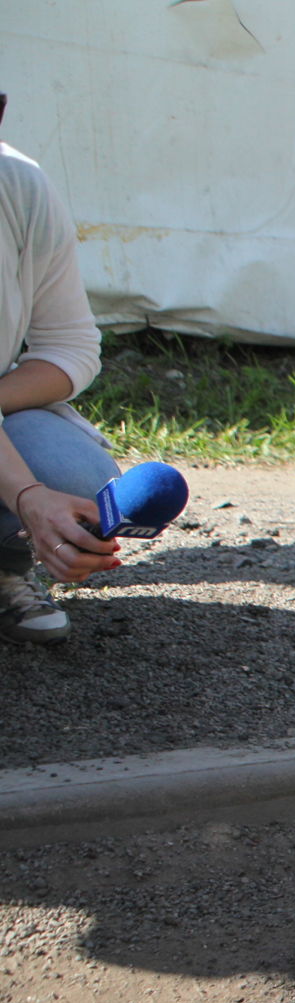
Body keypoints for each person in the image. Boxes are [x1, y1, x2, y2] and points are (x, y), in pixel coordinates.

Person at [0, 105, 121, 644]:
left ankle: (3, 568)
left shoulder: (20, 184)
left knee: (77, 480)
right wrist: (26, 495)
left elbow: (70, 347)